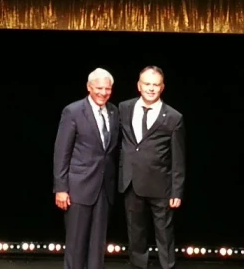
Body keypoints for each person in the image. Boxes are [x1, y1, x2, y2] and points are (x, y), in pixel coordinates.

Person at [118, 66, 186, 269]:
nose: (151, 88)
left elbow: (178, 157)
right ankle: (139, 266)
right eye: (147, 84)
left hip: (161, 184)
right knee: (135, 231)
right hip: (131, 181)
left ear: (162, 88)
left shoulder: (174, 117)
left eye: (155, 85)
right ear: (139, 86)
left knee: (164, 233)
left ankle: (167, 266)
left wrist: (177, 190)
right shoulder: (124, 108)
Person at [54, 68, 120, 269]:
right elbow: (61, 152)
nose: (103, 92)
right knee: (76, 245)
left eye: (107, 89)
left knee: (97, 246)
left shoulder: (113, 111)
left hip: (103, 188)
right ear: (89, 87)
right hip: (78, 188)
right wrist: (61, 188)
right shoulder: (73, 111)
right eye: (99, 88)